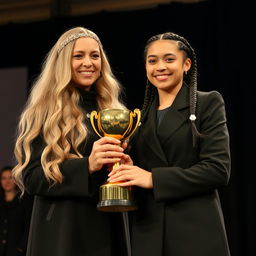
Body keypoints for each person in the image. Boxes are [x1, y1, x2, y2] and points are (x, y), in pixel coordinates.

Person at [108, 32, 231, 256]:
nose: (160, 67)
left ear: (186, 64)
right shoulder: (139, 118)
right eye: (152, 61)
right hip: (149, 234)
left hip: (195, 232)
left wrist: (152, 178)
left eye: (169, 59)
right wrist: (127, 167)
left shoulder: (208, 103)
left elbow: (218, 170)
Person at [12, 26, 130, 256]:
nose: (88, 62)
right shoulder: (44, 112)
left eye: (95, 56)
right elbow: (33, 178)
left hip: (110, 225)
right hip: (63, 234)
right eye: (78, 56)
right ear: (63, 62)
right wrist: (87, 165)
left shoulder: (114, 110)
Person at [0, 166, 33, 256]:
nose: (7, 181)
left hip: (17, 252)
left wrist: (21, 248)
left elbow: (28, 226)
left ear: (16, 180)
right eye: (3, 178)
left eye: (10, 178)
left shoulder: (24, 200)